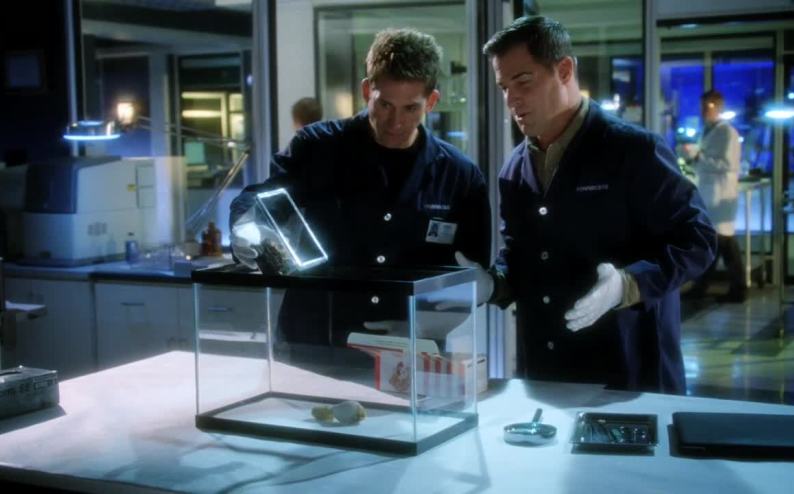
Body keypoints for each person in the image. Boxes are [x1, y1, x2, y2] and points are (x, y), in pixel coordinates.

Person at [456, 16, 716, 394]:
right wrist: (492, 285)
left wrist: (627, 284)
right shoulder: (514, 168)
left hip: (628, 375)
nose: (511, 100)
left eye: (523, 81)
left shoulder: (633, 151)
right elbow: (522, 257)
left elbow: (698, 239)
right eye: (504, 87)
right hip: (547, 373)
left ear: (564, 70)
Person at [230, 28, 491, 347]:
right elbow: (260, 200)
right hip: (315, 341)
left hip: (412, 349)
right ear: (368, 91)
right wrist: (246, 226)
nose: (395, 122)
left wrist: (426, 327)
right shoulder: (316, 147)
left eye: (411, 108)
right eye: (385, 105)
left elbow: (472, 276)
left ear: (432, 101)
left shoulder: (460, 176)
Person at [682, 90, 746, 303]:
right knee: (717, 243)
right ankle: (709, 287)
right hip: (710, 195)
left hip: (720, 195)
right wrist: (694, 160)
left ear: (718, 107)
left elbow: (729, 164)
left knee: (722, 243)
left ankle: (734, 289)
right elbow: (705, 162)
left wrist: (699, 158)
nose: (703, 111)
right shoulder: (708, 130)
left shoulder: (727, 133)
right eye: (702, 106)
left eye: (708, 106)